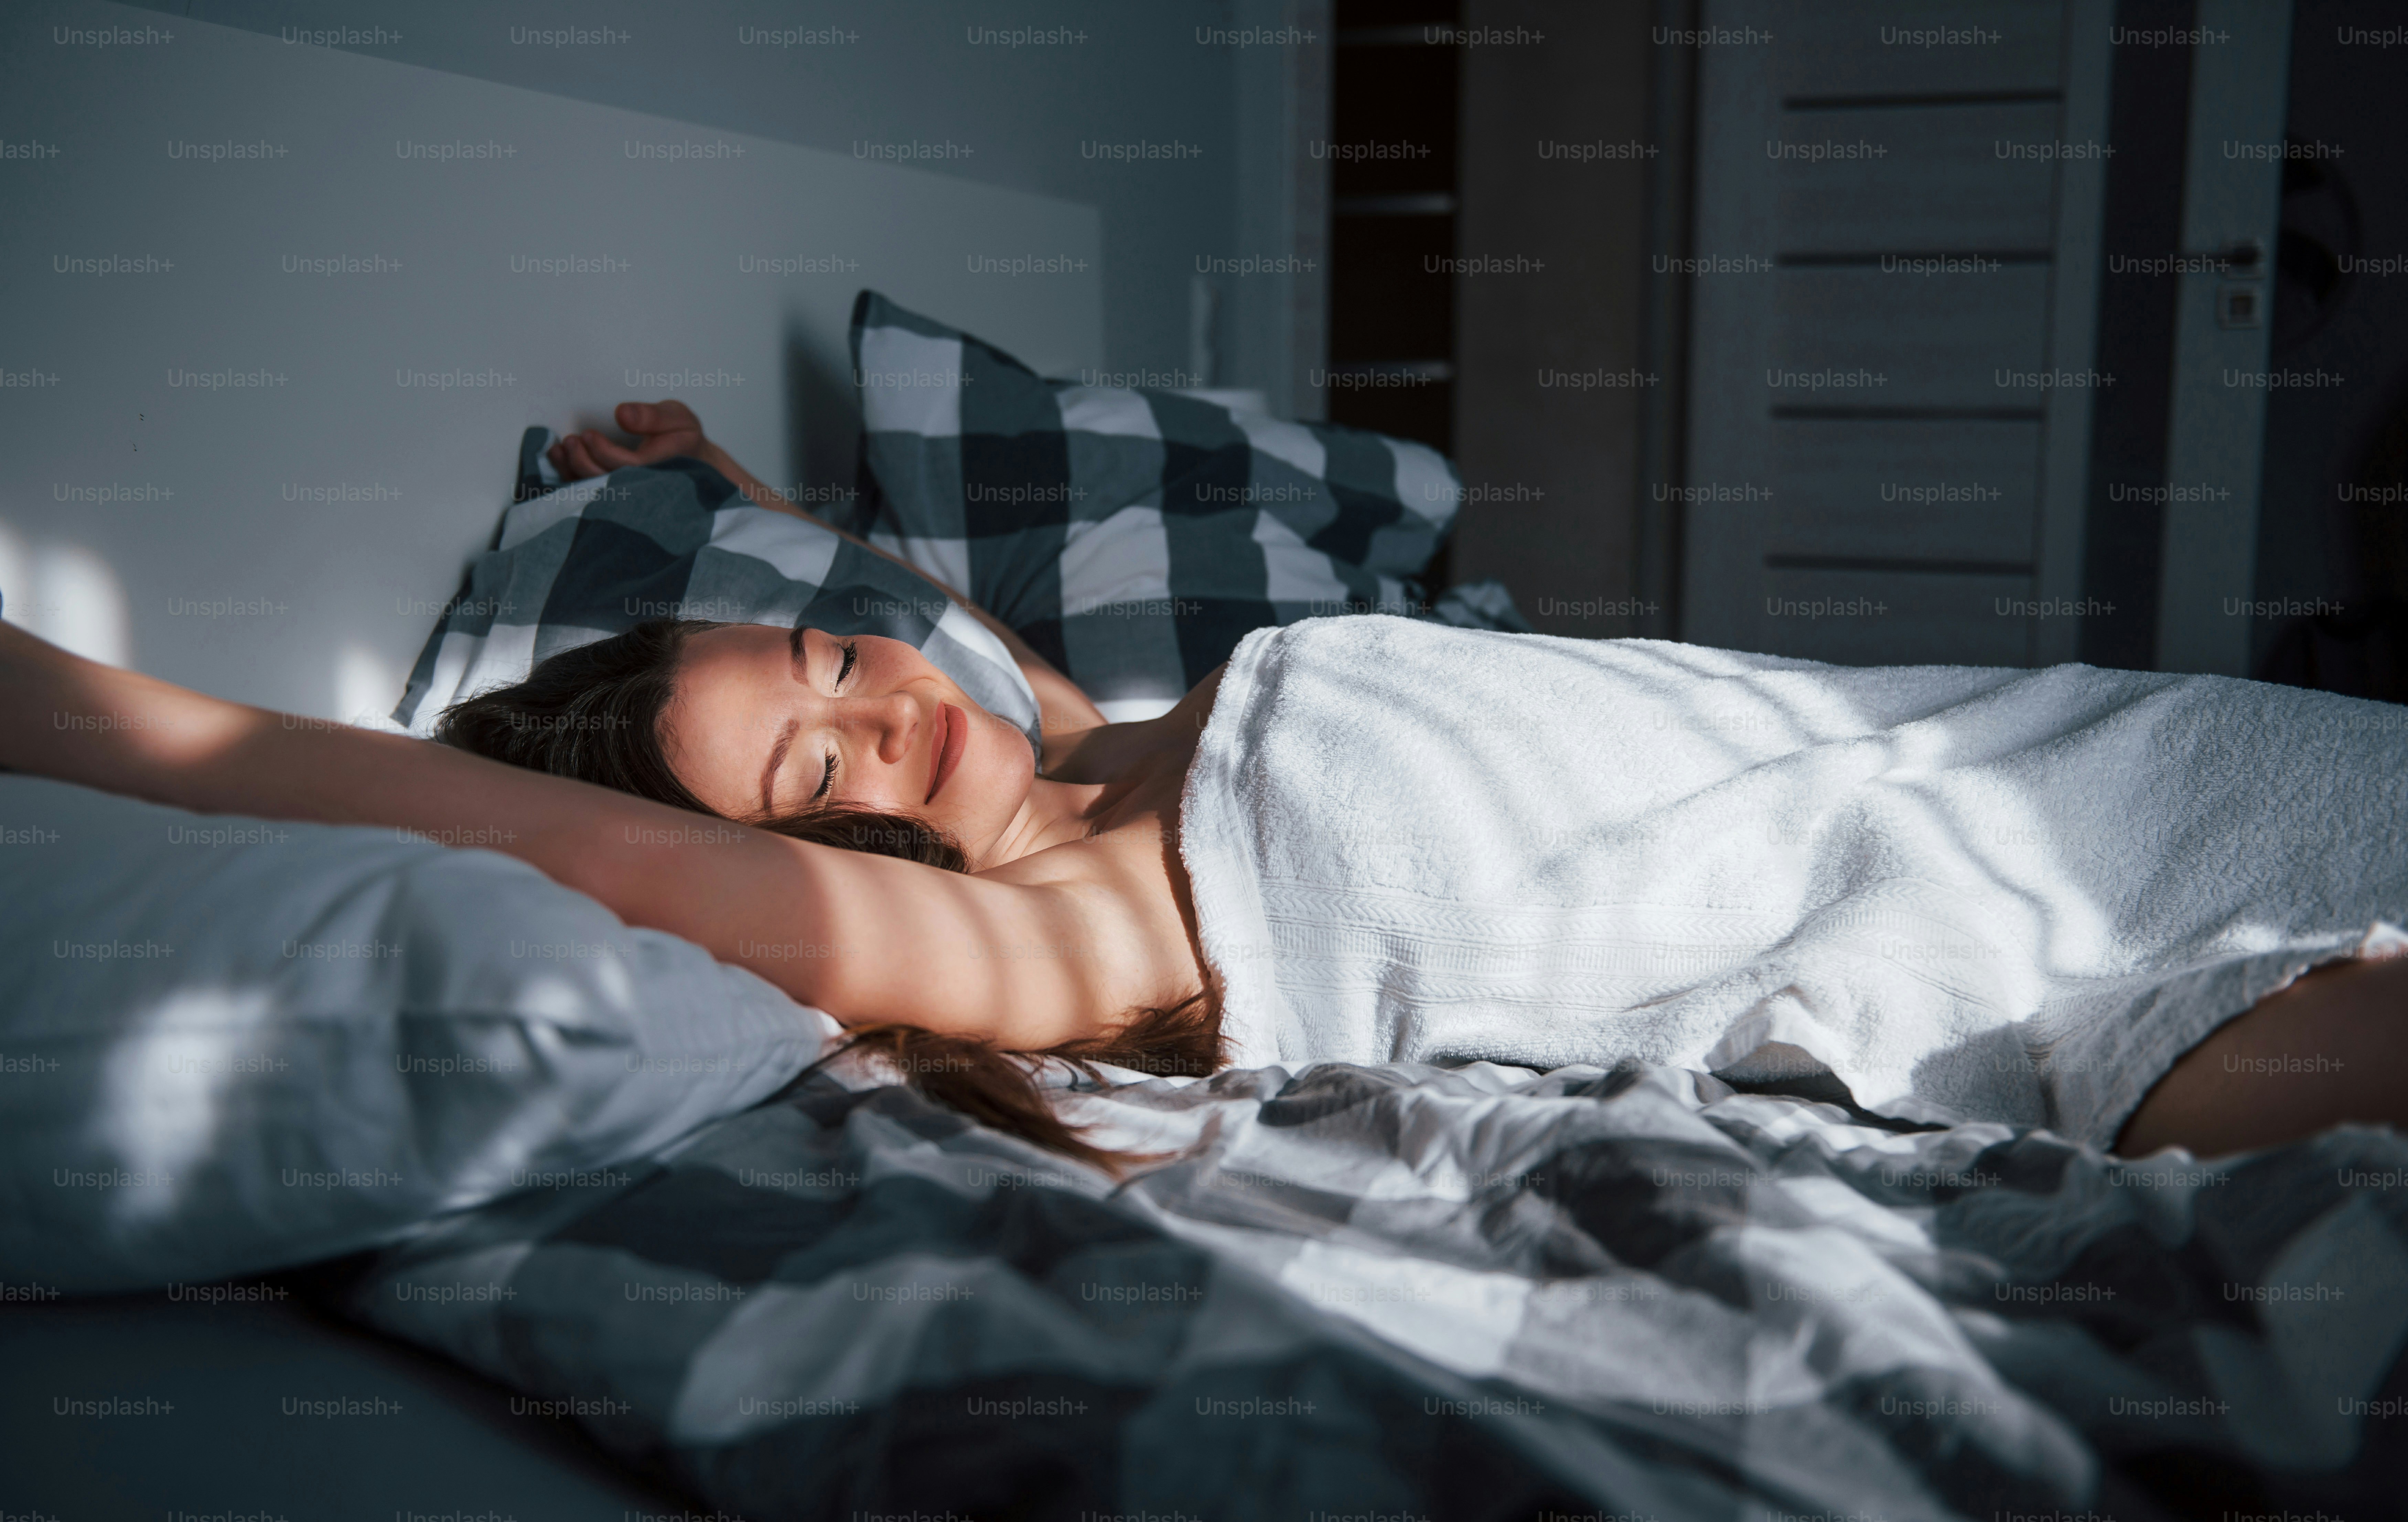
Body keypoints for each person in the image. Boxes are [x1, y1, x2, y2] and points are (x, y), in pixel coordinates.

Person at [8, 401, 2407, 1170]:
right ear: (788, 859)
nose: (883, 702)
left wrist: (733, 502)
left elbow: (922, 636)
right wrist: (73, 705)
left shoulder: (1079, 732)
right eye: (823, 756)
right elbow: (558, 832)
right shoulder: (1074, 939)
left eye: (843, 655)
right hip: (2057, 967)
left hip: (2115, 751)